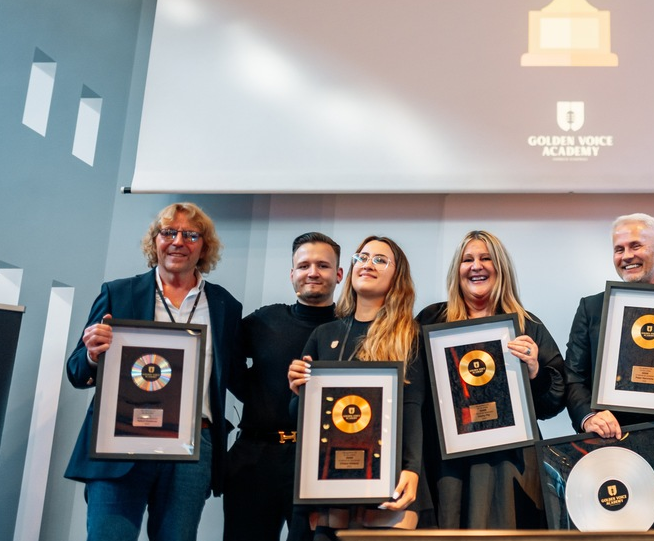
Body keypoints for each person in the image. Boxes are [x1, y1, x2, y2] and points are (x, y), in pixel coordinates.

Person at [64, 203, 244, 541]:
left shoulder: (224, 306)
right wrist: (91, 353)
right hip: (120, 442)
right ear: (155, 241)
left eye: (191, 235)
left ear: (204, 246)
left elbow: (235, 376)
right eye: (168, 233)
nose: (178, 241)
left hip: (192, 448)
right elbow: (77, 372)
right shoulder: (118, 293)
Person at [563, 213, 654, 522]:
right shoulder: (591, 309)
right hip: (608, 446)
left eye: (635, 246)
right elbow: (573, 377)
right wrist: (588, 416)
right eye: (619, 249)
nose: (626, 256)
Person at [416, 230, 567, 529]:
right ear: (456, 270)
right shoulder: (432, 320)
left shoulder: (527, 325)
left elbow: (555, 401)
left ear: (501, 268)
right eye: (467, 259)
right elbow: (414, 390)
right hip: (449, 464)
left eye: (486, 258)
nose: (476, 266)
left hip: (512, 464)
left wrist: (535, 372)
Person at [288, 236, 428, 534]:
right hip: (328, 481)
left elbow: (412, 408)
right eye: (362, 257)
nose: (368, 264)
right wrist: (299, 391)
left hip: (389, 477)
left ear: (397, 276)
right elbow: (299, 417)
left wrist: (412, 468)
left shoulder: (409, 335)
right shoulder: (324, 334)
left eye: (380, 259)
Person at [224, 232, 343, 541]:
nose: (313, 272)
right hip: (254, 458)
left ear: (339, 274)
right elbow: (227, 365)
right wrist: (257, 399)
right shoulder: (264, 321)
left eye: (323, 265)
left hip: (318, 463)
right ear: (292, 274)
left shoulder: (350, 329)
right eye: (303, 265)